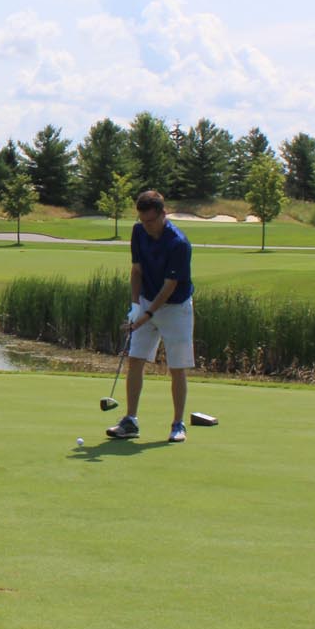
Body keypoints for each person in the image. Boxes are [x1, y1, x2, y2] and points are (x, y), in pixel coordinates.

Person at [106, 190, 200, 443]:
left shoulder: (178, 243)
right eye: (143, 220)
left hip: (176, 307)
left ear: (162, 214)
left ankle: (178, 424)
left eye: (151, 221)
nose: (147, 226)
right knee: (135, 359)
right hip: (146, 299)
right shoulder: (138, 232)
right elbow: (136, 271)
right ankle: (130, 421)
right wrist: (135, 305)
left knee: (177, 367)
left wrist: (146, 315)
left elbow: (170, 286)